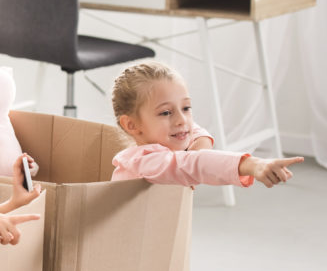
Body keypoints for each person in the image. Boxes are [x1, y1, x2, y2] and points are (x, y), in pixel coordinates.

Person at [111, 61, 303, 187]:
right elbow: (193, 164)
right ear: (132, 125)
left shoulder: (165, 147)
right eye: (166, 112)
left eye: (186, 108)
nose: (181, 120)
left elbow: (195, 132)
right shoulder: (141, 164)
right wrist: (253, 164)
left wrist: (199, 149)